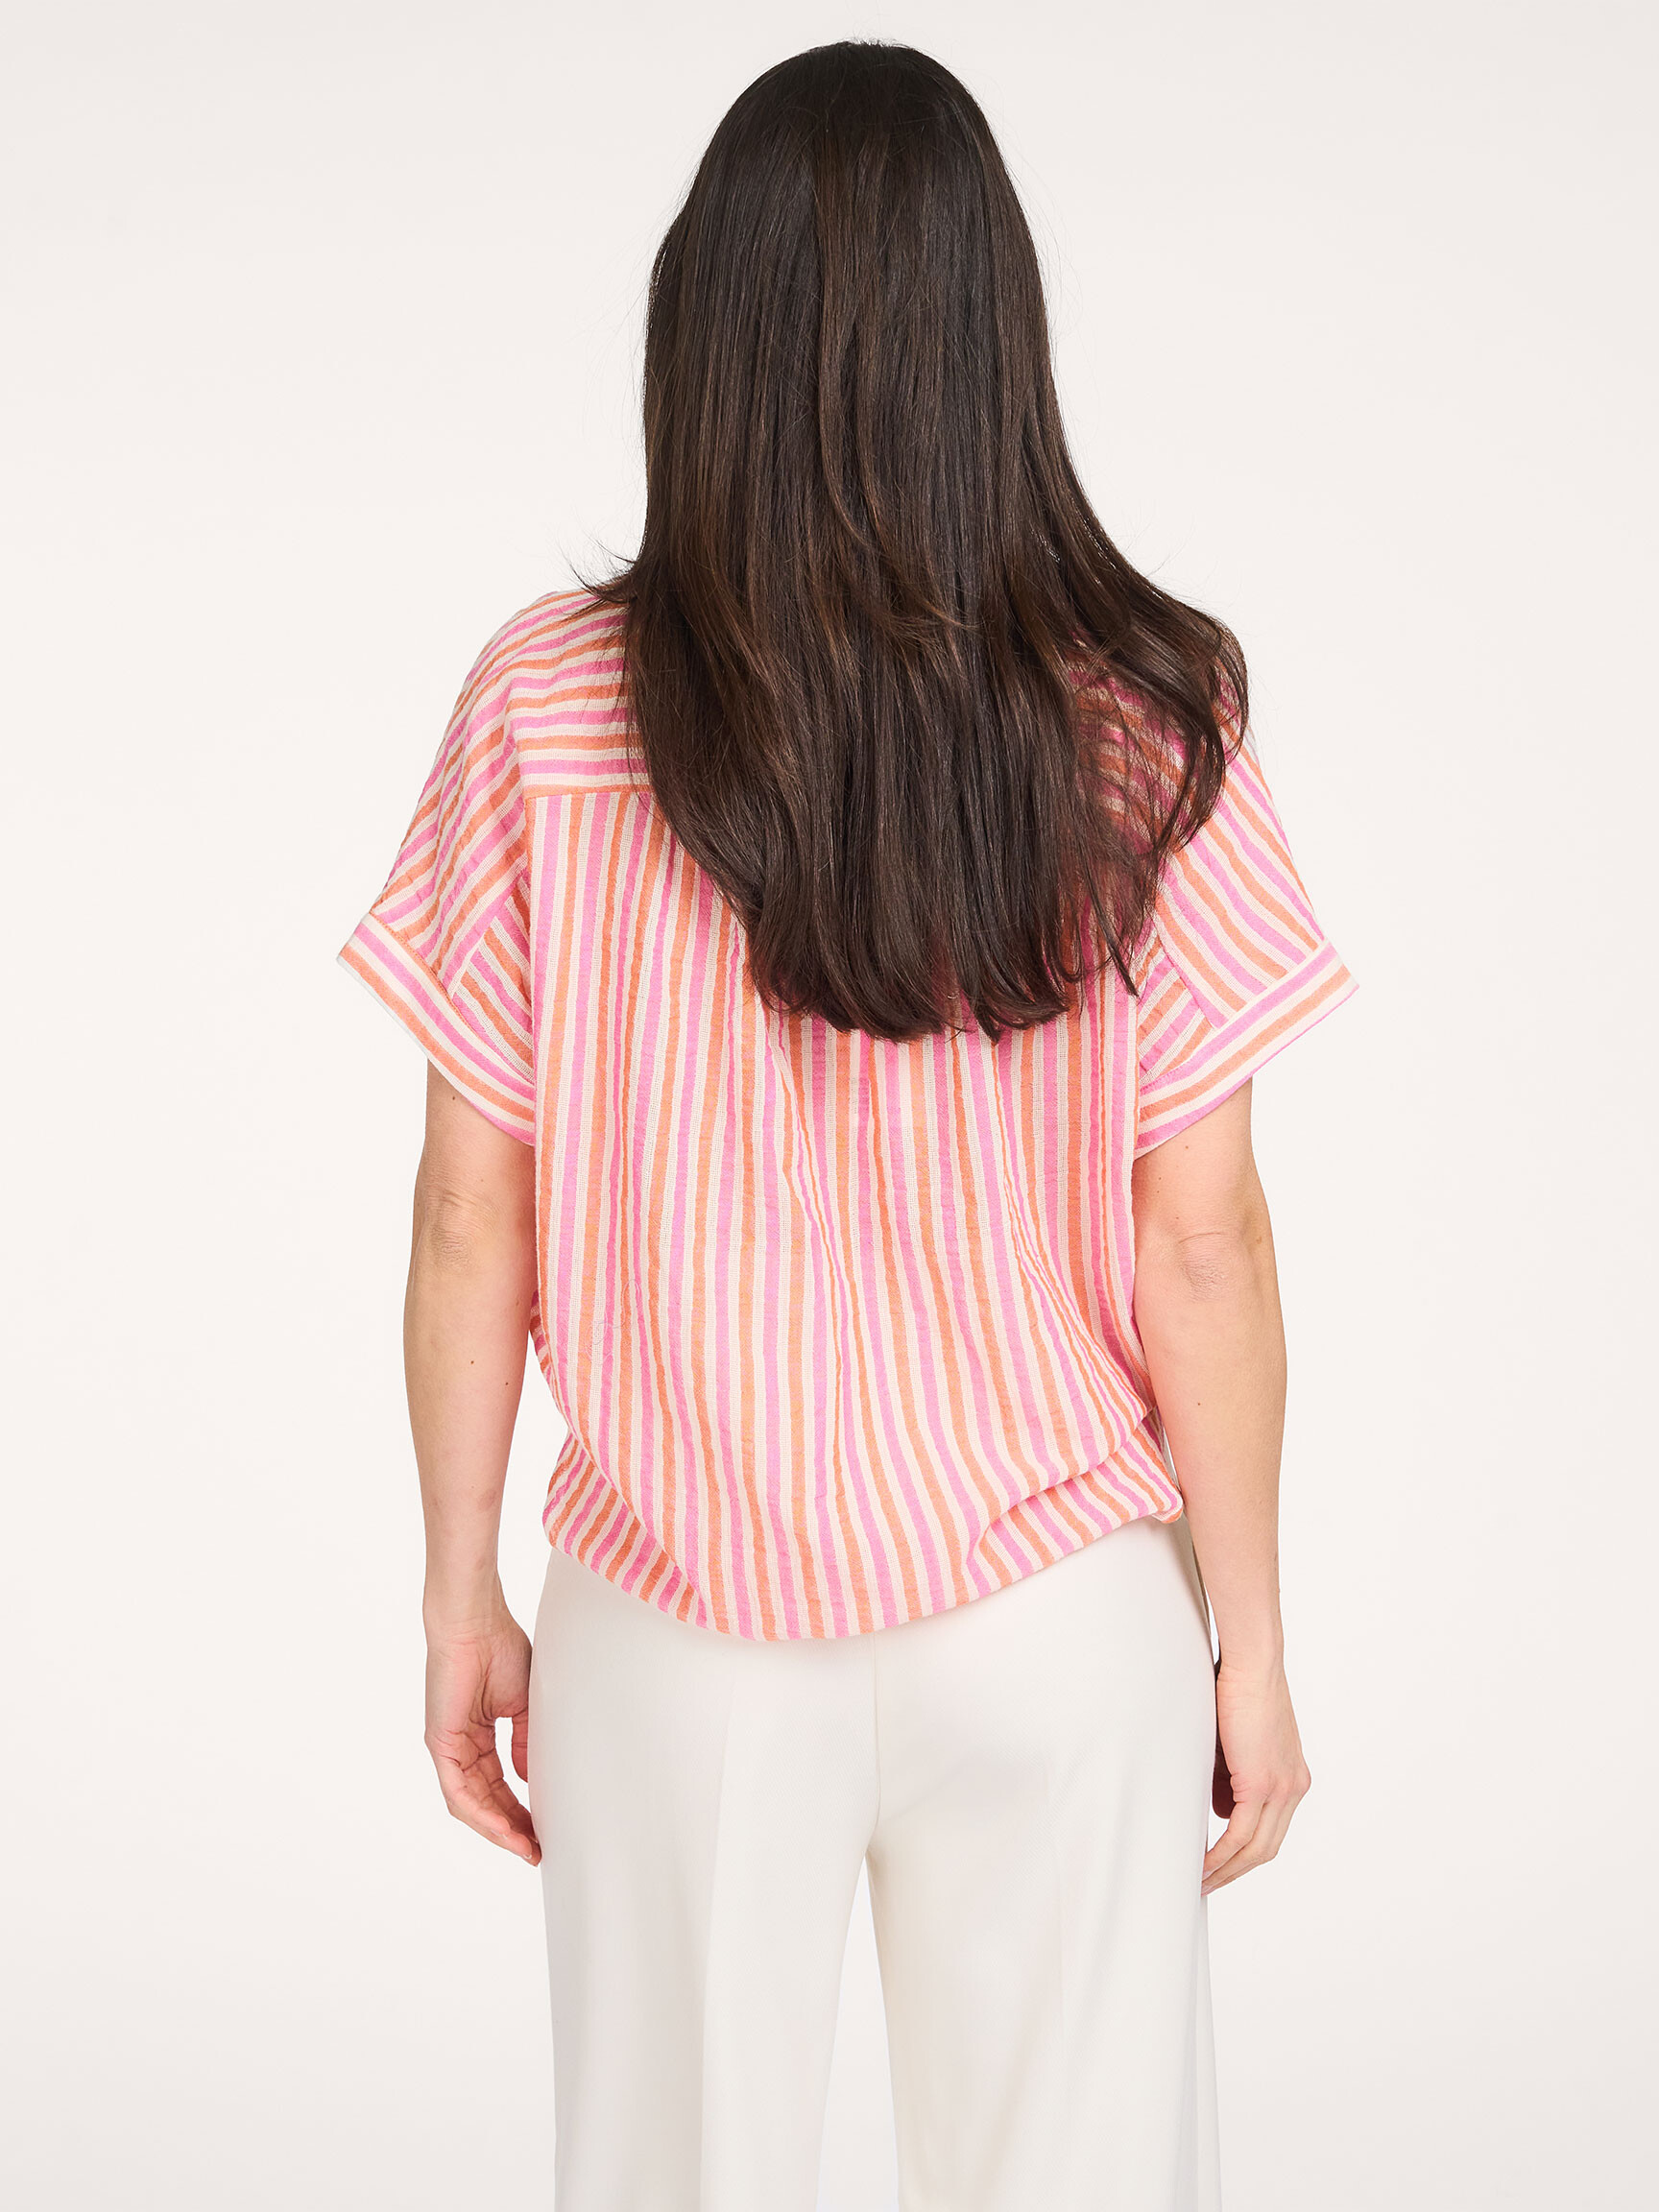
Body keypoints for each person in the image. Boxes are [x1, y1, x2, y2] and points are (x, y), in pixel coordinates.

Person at [339, 38, 1355, 2212]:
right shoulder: (1146, 712)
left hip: (675, 1608)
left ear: (700, 331)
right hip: (1056, 1604)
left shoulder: (548, 703)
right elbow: (1206, 1239)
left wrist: (457, 1590)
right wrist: (1252, 1644)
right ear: (996, 342)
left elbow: (466, 1214)